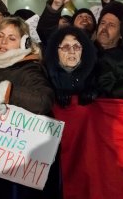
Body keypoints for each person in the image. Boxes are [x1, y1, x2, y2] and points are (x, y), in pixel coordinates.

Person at [0, 16, 54, 199]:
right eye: (0, 36)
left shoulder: (28, 69)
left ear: (24, 42)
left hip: (17, 170)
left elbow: (44, 100)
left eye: (11, 38)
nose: (3, 42)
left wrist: (10, 93)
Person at [45, 26, 97, 199]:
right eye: (65, 47)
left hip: (85, 158)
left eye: (77, 46)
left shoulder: (96, 76)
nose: (72, 52)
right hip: (52, 158)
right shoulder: (44, 76)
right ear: (56, 51)